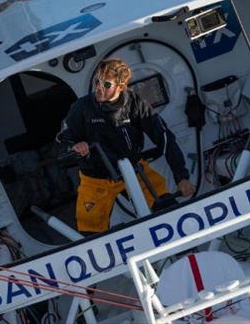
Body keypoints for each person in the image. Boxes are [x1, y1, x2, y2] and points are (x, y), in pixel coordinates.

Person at [56, 58, 195, 233]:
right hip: (95, 180)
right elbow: (64, 142)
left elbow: (164, 137)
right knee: (88, 233)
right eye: (97, 81)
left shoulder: (135, 103)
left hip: (135, 170)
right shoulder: (81, 107)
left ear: (121, 87)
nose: (99, 87)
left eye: (106, 84)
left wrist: (181, 176)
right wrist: (74, 148)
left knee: (168, 209)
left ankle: (185, 251)